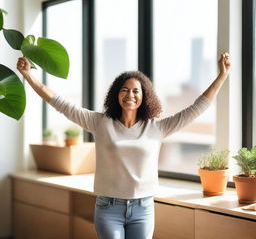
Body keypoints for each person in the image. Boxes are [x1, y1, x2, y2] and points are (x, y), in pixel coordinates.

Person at [17, 53, 231, 239]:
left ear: (144, 96)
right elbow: (60, 103)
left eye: (136, 91)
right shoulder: (100, 122)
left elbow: (196, 108)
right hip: (108, 207)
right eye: (125, 90)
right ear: (116, 94)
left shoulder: (157, 128)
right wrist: (28, 76)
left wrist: (222, 76)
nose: (130, 95)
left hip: (143, 208)